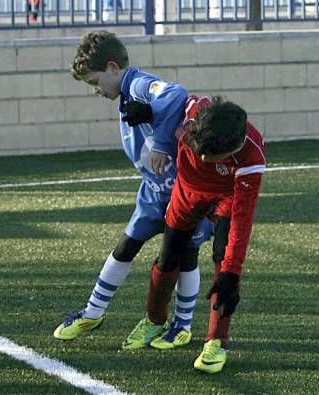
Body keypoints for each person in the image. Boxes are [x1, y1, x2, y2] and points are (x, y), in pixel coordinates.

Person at [53, 30, 214, 350]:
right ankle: (92, 313)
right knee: (125, 247)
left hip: (182, 193)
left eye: (95, 82)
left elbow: (174, 94)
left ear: (113, 67)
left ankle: (181, 326)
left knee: (186, 257)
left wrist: (161, 144)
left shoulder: (138, 84)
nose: (96, 90)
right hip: (153, 192)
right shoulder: (125, 93)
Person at [128, 95, 266, 373]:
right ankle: (154, 321)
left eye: (209, 156)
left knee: (223, 262)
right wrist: (149, 111)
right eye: (198, 149)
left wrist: (232, 272)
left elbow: (242, 219)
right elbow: (169, 100)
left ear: (233, 147)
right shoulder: (193, 111)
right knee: (168, 256)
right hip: (187, 191)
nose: (202, 157)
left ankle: (216, 341)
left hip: (228, 197)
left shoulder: (251, 156)